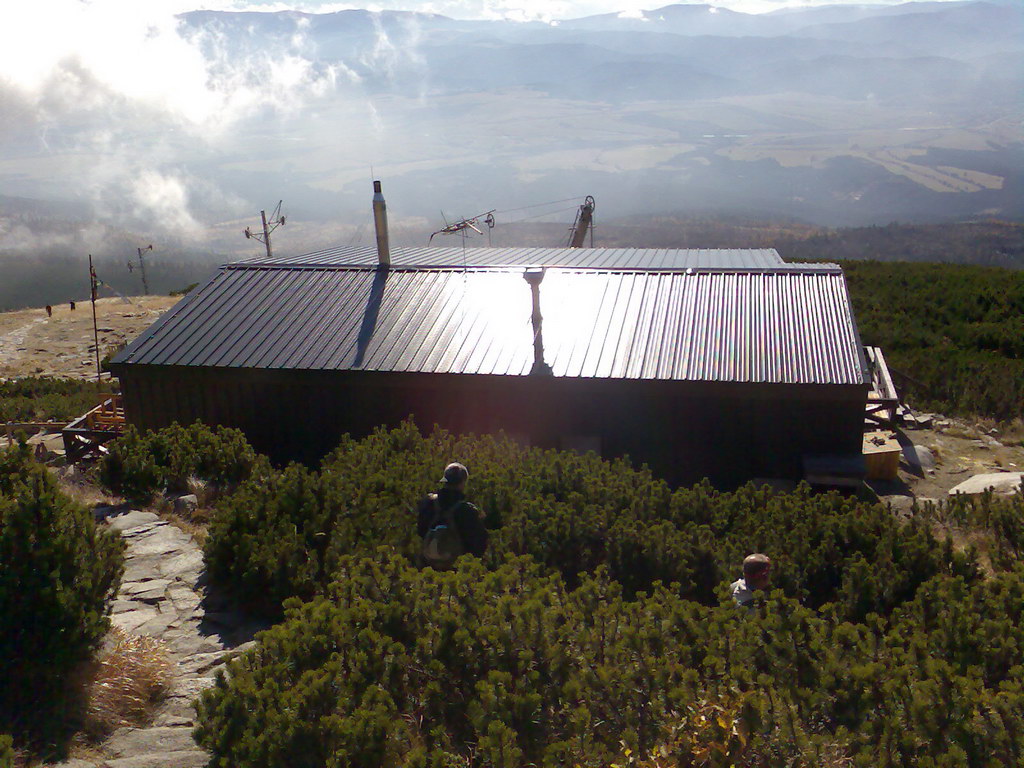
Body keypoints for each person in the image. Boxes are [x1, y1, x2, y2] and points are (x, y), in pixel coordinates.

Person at [417, 462, 487, 568]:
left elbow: (420, 532)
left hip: (428, 565)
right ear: (463, 483)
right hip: (457, 570)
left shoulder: (428, 503)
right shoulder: (467, 510)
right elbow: (478, 544)